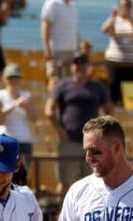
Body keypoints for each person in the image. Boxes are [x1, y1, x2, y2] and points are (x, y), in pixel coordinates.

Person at [45, 53, 112, 195]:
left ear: (88, 66)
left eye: (83, 64)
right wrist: (60, 131)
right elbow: (49, 110)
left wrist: (102, 133)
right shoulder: (62, 85)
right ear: (72, 66)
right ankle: (62, 216)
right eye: (76, 63)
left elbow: (109, 111)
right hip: (69, 142)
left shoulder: (98, 87)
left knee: (94, 183)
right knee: (65, 183)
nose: (79, 67)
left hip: (93, 144)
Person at [101, 0, 133, 104]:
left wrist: (129, 18)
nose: (125, 9)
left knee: (132, 93)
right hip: (115, 63)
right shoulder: (113, 20)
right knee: (114, 92)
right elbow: (105, 29)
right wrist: (113, 16)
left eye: (128, 6)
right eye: (123, 6)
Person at [41, 0, 81, 90]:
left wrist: (77, 47)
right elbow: (45, 26)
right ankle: (52, 103)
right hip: (56, 49)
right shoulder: (52, 3)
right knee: (54, 79)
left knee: (68, 80)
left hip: (70, 49)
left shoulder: (72, 6)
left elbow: (74, 29)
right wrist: (47, 48)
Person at [0, 64, 37, 166]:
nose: (13, 80)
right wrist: (16, 104)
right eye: (10, 77)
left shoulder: (27, 95)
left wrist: (27, 107)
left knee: (22, 175)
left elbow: (34, 119)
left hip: (24, 140)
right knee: (4, 171)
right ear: (4, 79)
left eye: (16, 77)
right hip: (4, 139)